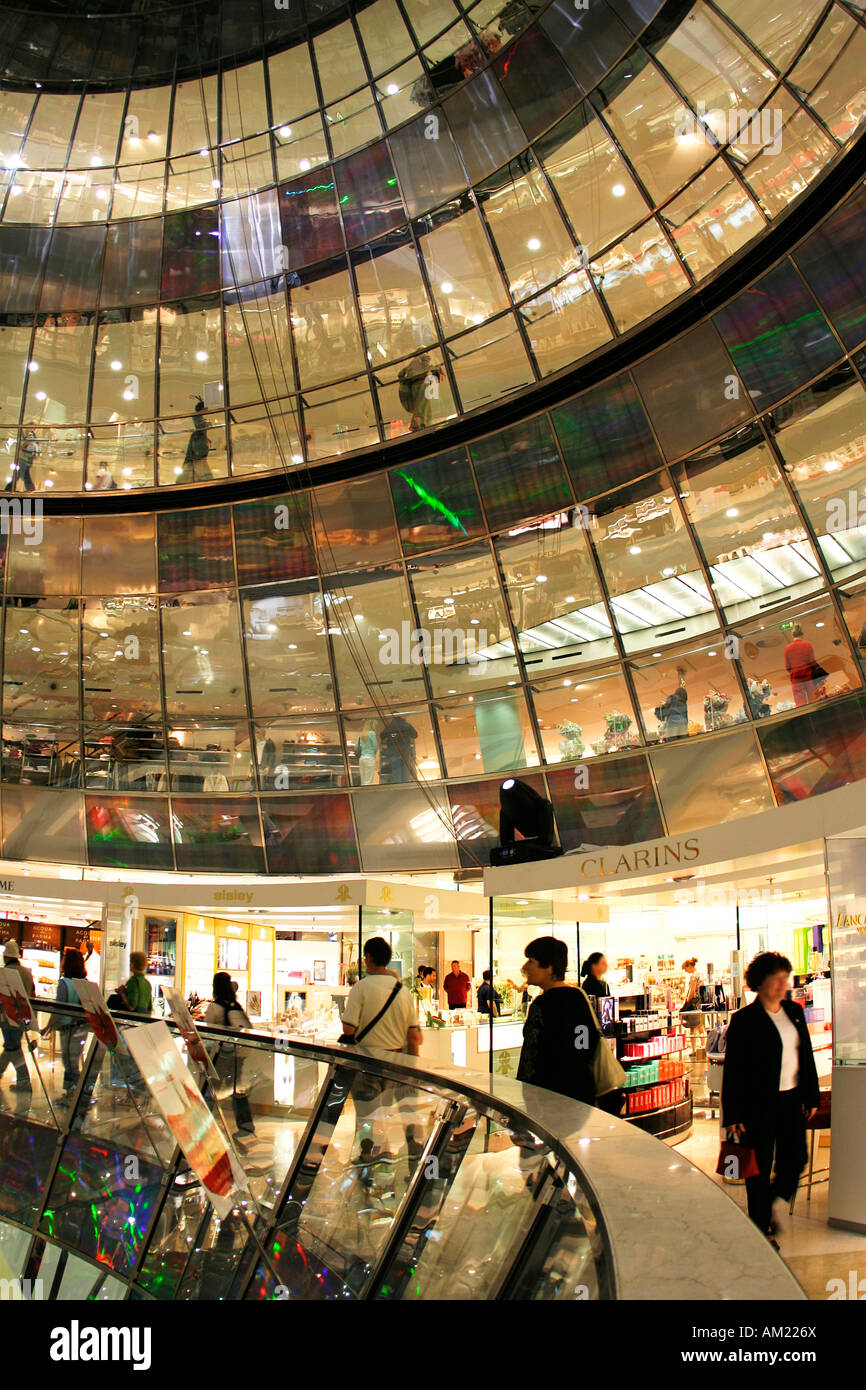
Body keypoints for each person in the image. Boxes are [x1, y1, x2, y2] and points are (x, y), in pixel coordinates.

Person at [721, 951, 819, 1247]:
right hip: (757, 1105)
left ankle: (769, 1201)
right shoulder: (744, 1021)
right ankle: (762, 1226)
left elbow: (806, 1056)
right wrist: (733, 1115)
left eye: (784, 978)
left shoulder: (794, 1011)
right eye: (775, 979)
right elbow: (734, 1070)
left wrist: (810, 1095)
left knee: (796, 1160)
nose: (782, 984)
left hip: (791, 1099)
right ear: (759, 983)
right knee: (757, 1167)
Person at [516, 937, 599, 1105]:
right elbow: (585, 1044)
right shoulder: (578, 997)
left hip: (548, 1098)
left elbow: (531, 1057)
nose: (524, 967)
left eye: (531, 961)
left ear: (548, 968)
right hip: (580, 1093)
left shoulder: (542, 1005)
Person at [341, 938, 420, 1055]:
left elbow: (348, 1029)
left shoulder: (360, 988)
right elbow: (413, 1036)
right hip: (397, 1060)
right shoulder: (403, 991)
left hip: (367, 1061)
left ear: (368, 957)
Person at [205, 973, 255, 1139]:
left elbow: (207, 1031)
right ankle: (246, 1127)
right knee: (237, 1088)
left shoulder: (215, 1007)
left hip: (222, 1055)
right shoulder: (236, 1006)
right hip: (238, 1055)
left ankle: (203, 1125)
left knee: (212, 1090)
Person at [53, 947, 89, 1099]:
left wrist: (48, 1026)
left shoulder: (64, 983)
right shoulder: (85, 983)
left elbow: (58, 1008)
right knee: (75, 1059)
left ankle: (73, 1093)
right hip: (82, 1028)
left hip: (68, 1028)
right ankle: (76, 1091)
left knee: (69, 1061)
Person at [0, 940, 35, 1091]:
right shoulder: (27, 973)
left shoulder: (4, 973)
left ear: (6, 957)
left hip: (7, 1016)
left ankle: (24, 1081)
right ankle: (22, 1080)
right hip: (23, 1016)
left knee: (11, 1046)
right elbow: (32, 995)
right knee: (12, 1045)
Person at [784, 624, 826, 706]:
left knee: (800, 704)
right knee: (813, 701)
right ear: (802, 635)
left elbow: (787, 668)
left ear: (793, 635)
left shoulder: (787, 648)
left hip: (796, 680)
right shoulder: (807, 645)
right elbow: (812, 662)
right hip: (808, 678)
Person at [178, 400, 213, 484]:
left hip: (200, 439)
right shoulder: (197, 417)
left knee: (197, 460)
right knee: (198, 459)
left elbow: (202, 429)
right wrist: (207, 423)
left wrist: (207, 438)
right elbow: (200, 427)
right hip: (198, 439)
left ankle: (191, 478)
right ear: (203, 408)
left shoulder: (199, 417)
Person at [378, 713, 418, 784]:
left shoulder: (390, 726)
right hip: (405, 749)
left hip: (393, 749)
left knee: (396, 768)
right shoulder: (406, 725)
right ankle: (406, 784)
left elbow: (382, 736)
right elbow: (415, 735)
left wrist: (391, 736)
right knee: (406, 767)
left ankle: (398, 784)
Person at [680, 957, 704, 1056]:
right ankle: (703, 1047)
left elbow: (692, 991)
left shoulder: (694, 976)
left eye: (686, 969)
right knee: (700, 1026)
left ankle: (694, 1050)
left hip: (694, 1004)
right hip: (700, 1004)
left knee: (693, 1027)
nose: (686, 972)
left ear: (689, 966)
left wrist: (686, 1002)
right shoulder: (700, 974)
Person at [5, 425, 39, 492]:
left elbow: (31, 452)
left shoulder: (32, 444)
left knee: (24, 476)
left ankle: (30, 489)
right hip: (22, 460)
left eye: (31, 435)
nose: (30, 436)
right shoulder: (29, 442)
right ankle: (9, 488)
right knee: (17, 476)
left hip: (25, 461)